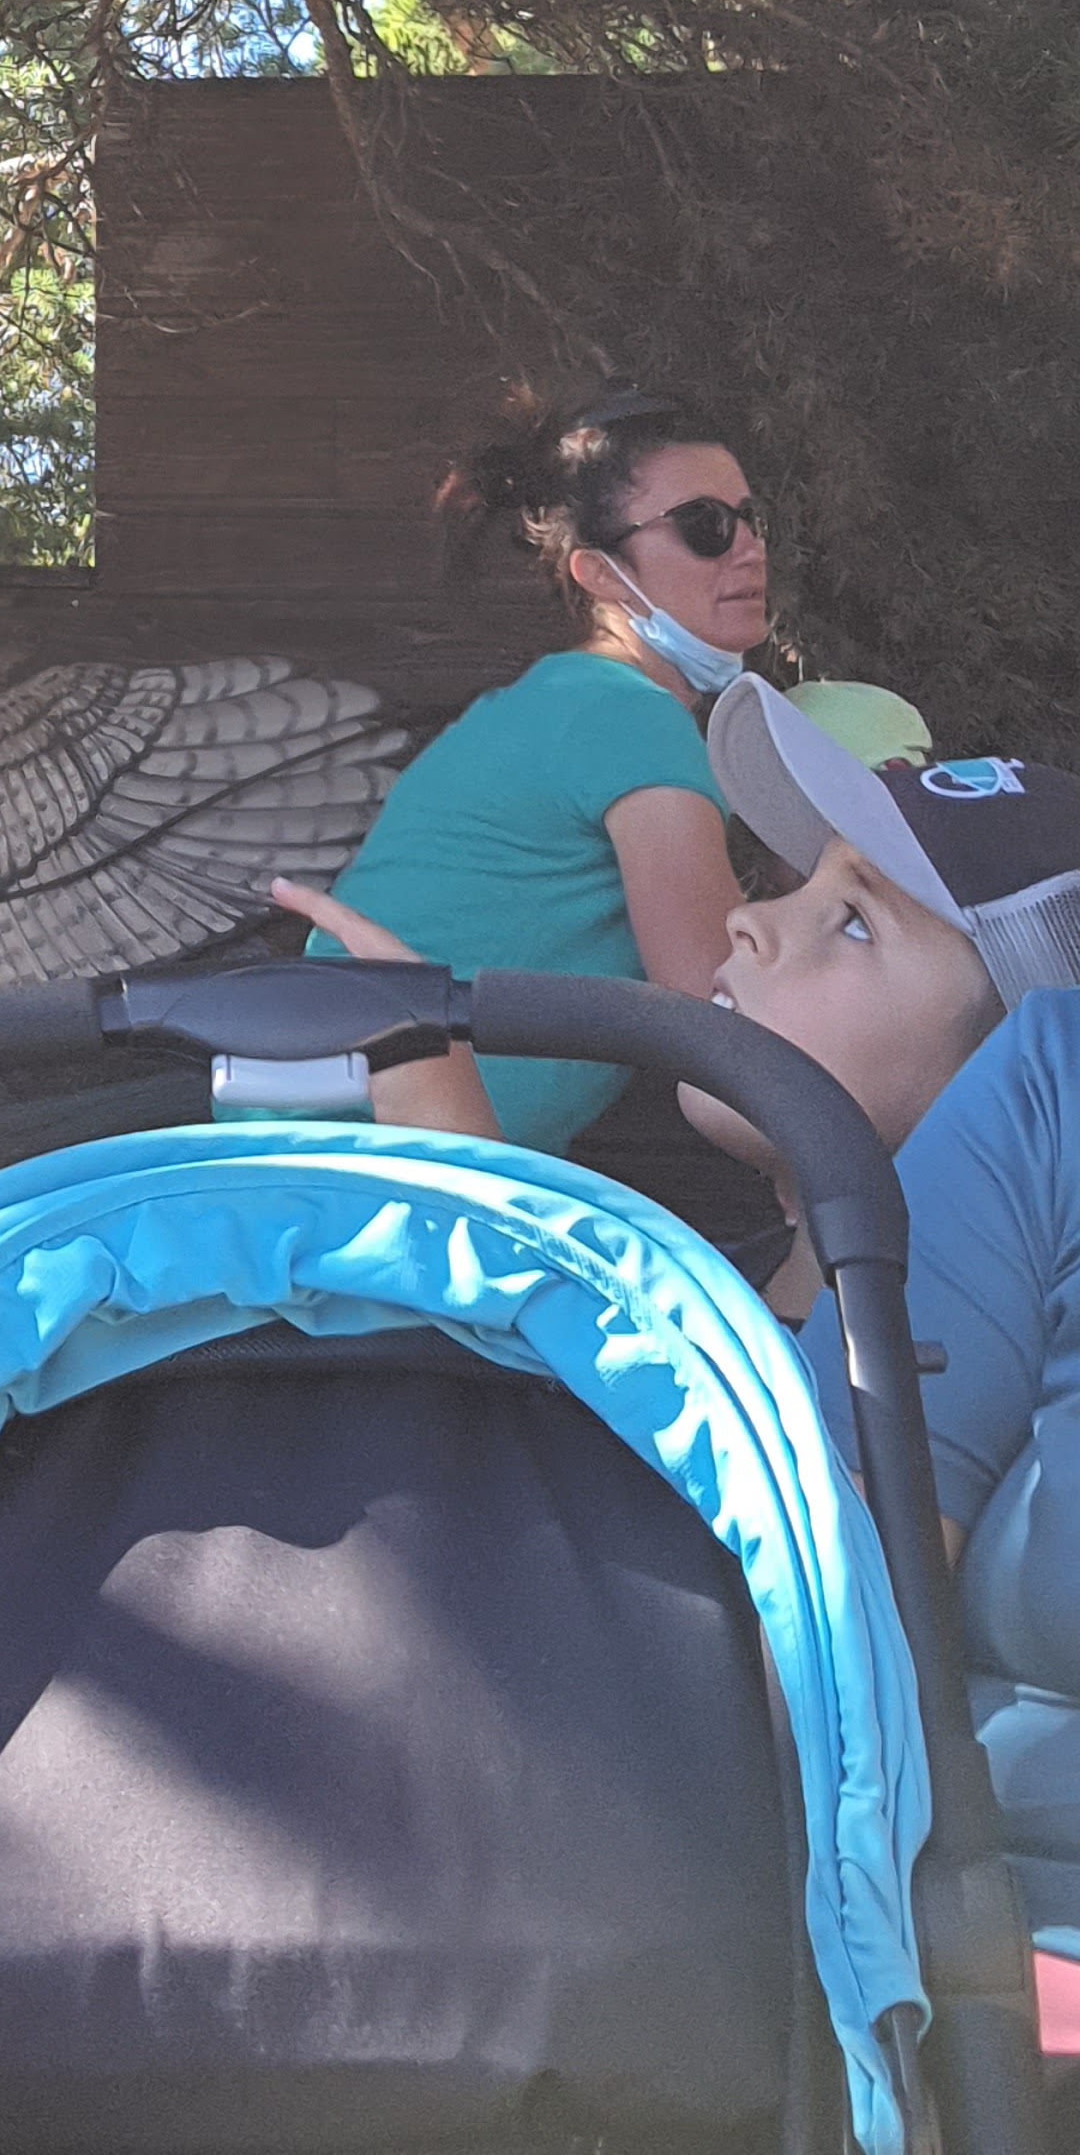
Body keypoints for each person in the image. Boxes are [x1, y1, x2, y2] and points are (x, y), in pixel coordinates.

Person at [293, 675, 1080, 1962]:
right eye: (791, 883)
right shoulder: (713, 1285)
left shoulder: (951, 1345)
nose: (750, 923)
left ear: (1010, 1079)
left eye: (855, 923)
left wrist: (475, 1177)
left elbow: (749, 1667)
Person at [313, 384, 783, 1254]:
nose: (748, 547)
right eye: (705, 526)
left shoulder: (558, 700)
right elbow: (722, 1015)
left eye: (751, 519)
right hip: (396, 1200)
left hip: (326, 1165)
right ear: (600, 573)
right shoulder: (630, 715)